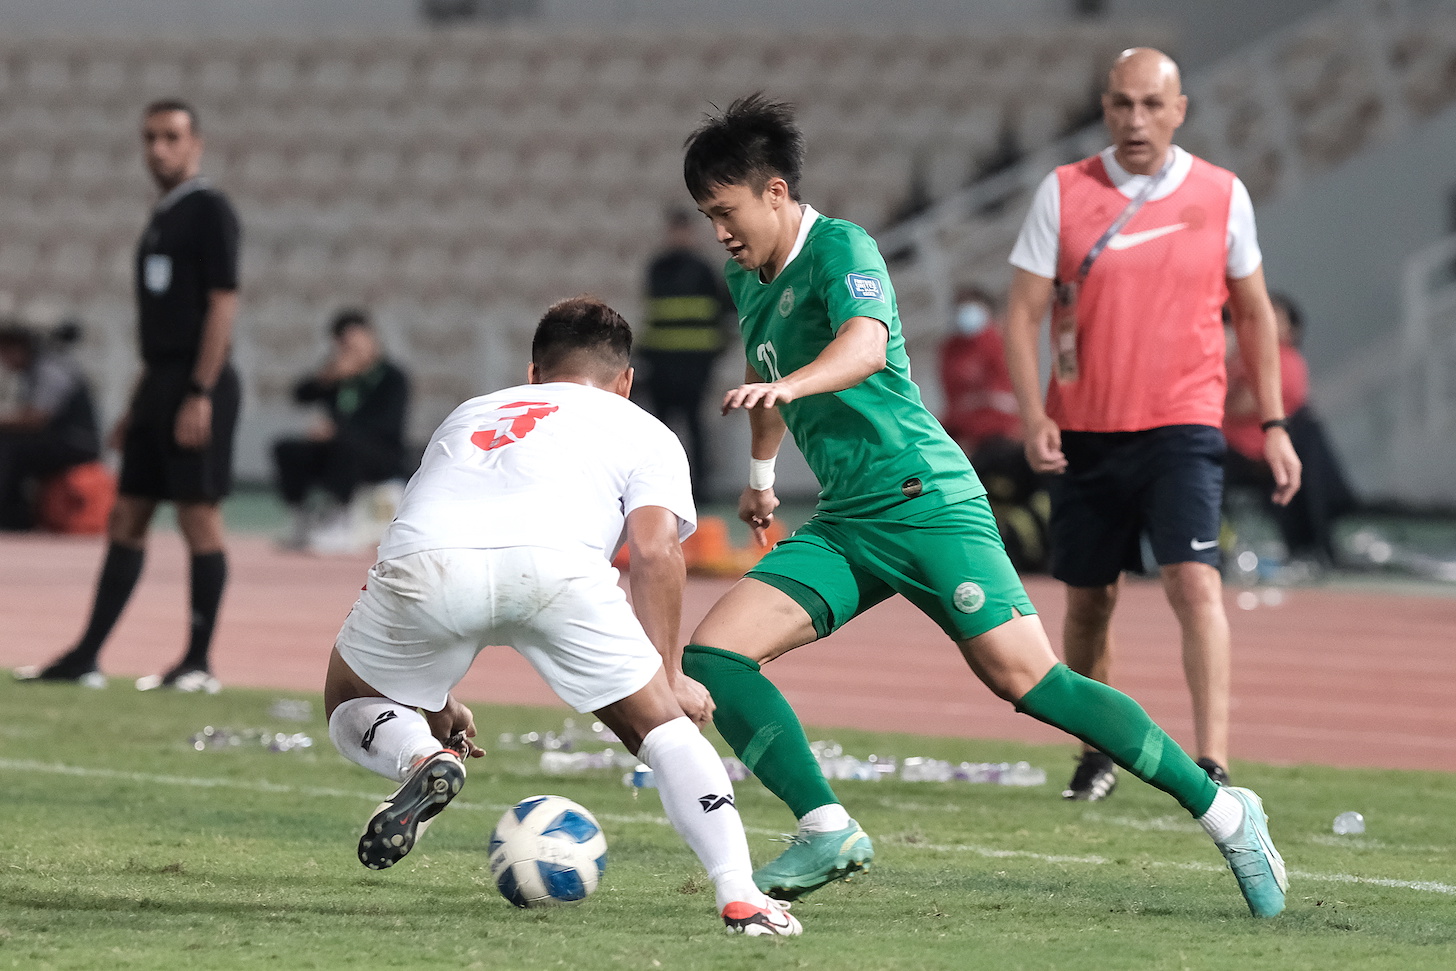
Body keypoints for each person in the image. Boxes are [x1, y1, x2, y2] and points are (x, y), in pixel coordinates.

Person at [677, 93, 1288, 919]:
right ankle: (827, 824)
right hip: (852, 518)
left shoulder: (842, 248)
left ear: (775, 191)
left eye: (726, 210)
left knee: (1029, 680)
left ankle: (1225, 810)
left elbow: (859, 346)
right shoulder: (745, 278)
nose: (718, 229)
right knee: (714, 656)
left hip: (925, 497)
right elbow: (770, 383)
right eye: (707, 214)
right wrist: (760, 473)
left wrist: (788, 382)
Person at [323, 296, 801, 937]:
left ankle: (417, 756)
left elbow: (436, 531)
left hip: (424, 564)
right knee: (663, 732)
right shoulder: (644, 428)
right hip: (557, 572)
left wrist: (434, 705)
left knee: (350, 699)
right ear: (625, 383)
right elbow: (657, 552)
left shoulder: (467, 414)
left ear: (532, 374)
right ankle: (741, 897)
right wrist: (665, 678)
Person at [1003, 49, 1301, 799]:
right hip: (1086, 428)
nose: (1135, 120)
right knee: (1087, 599)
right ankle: (1096, 748)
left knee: (1194, 581)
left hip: (1183, 424)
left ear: (1179, 109)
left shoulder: (1223, 194)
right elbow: (1024, 311)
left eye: (1150, 104)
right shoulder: (1064, 191)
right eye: (1121, 105)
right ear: (1105, 110)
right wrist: (1035, 413)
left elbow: (1256, 313)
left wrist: (1273, 421)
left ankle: (1215, 761)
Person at [16, 99, 241, 694]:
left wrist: (201, 390)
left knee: (199, 520)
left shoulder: (209, 211)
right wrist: (140, 402)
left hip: (197, 383)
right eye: (150, 138)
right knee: (126, 514)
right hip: (161, 383)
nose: (158, 149)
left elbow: (223, 302)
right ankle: (86, 654)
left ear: (197, 144)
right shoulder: (160, 219)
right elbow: (160, 330)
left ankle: (198, 662)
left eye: (171, 137)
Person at [1224, 293, 1355, 570]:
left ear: (1291, 329)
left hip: (1257, 459)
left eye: (1275, 316)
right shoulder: (1238, 358)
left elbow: (1241, 406)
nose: (1265, 320)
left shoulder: (1284, 360)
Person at [272, 308, 410, 552]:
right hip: (337, 446)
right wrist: (328, 377)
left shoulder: (392, 377)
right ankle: (302, 517)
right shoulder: (337, 375)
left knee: (344, 447)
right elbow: (300, 395)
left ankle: (342, 520)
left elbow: (386, 425)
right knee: (288, 449)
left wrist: (338, 431)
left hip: (379, 454)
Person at [937, 286, 1048, 571]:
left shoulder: (1000, 344)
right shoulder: (950, 351)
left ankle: (1020, 547)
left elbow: (1009, 401)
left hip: (1002, 441)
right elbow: (955, 403)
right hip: (969, 443)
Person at [638, 207, 733, 499]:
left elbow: (724, 314)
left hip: (694, 366)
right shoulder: (657, 268)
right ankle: (660, 490)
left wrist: (715, 353)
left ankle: (700, 490)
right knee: (661, 431)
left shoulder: (704, 270)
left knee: (695, 428)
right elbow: (653, 317)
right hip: (662, 364)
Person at [0, 321, 102, 530]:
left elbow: (37, 418)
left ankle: (11, 519)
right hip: (60, 438)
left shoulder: (50, 368)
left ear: (18, 348)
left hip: (77, 442)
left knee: (9, 449)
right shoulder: (32, 371)